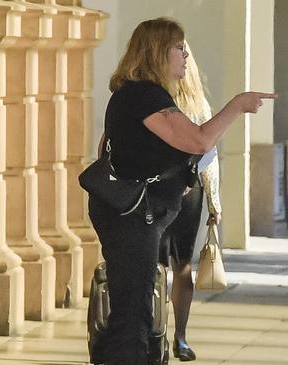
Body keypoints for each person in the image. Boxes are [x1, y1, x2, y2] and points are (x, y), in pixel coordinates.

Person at [88, 17, 275, 364]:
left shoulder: (137, 94)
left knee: (140, 306)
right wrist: (236, 105)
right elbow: (199, 140)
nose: (186, 56)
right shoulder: (144, 95)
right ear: (158, 52)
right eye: (178, 48)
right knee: (133, 312)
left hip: (133, 214)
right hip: (132, 218)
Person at [159, 44, 222, 362]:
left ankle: (179, 336)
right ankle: (157, 332)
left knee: (181, 264)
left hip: (188, 193)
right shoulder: (152, 98)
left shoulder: (197, 104)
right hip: (157, 192)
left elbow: (209, 155)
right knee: (157, 267)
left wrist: (214, 202)